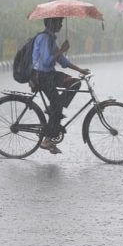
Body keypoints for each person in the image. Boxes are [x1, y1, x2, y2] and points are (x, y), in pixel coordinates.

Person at [31, 17, 90, 154]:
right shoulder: (44, 38)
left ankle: (54, 109)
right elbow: (46, 62)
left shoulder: (51, 38)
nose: (61, 25)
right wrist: (61, 49)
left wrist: (80, 70)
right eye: (59, 22)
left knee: (75, 82)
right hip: (42, 76)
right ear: (52, 23)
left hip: (50, 74)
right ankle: (47, 140)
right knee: (57, 106)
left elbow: (62, 61)